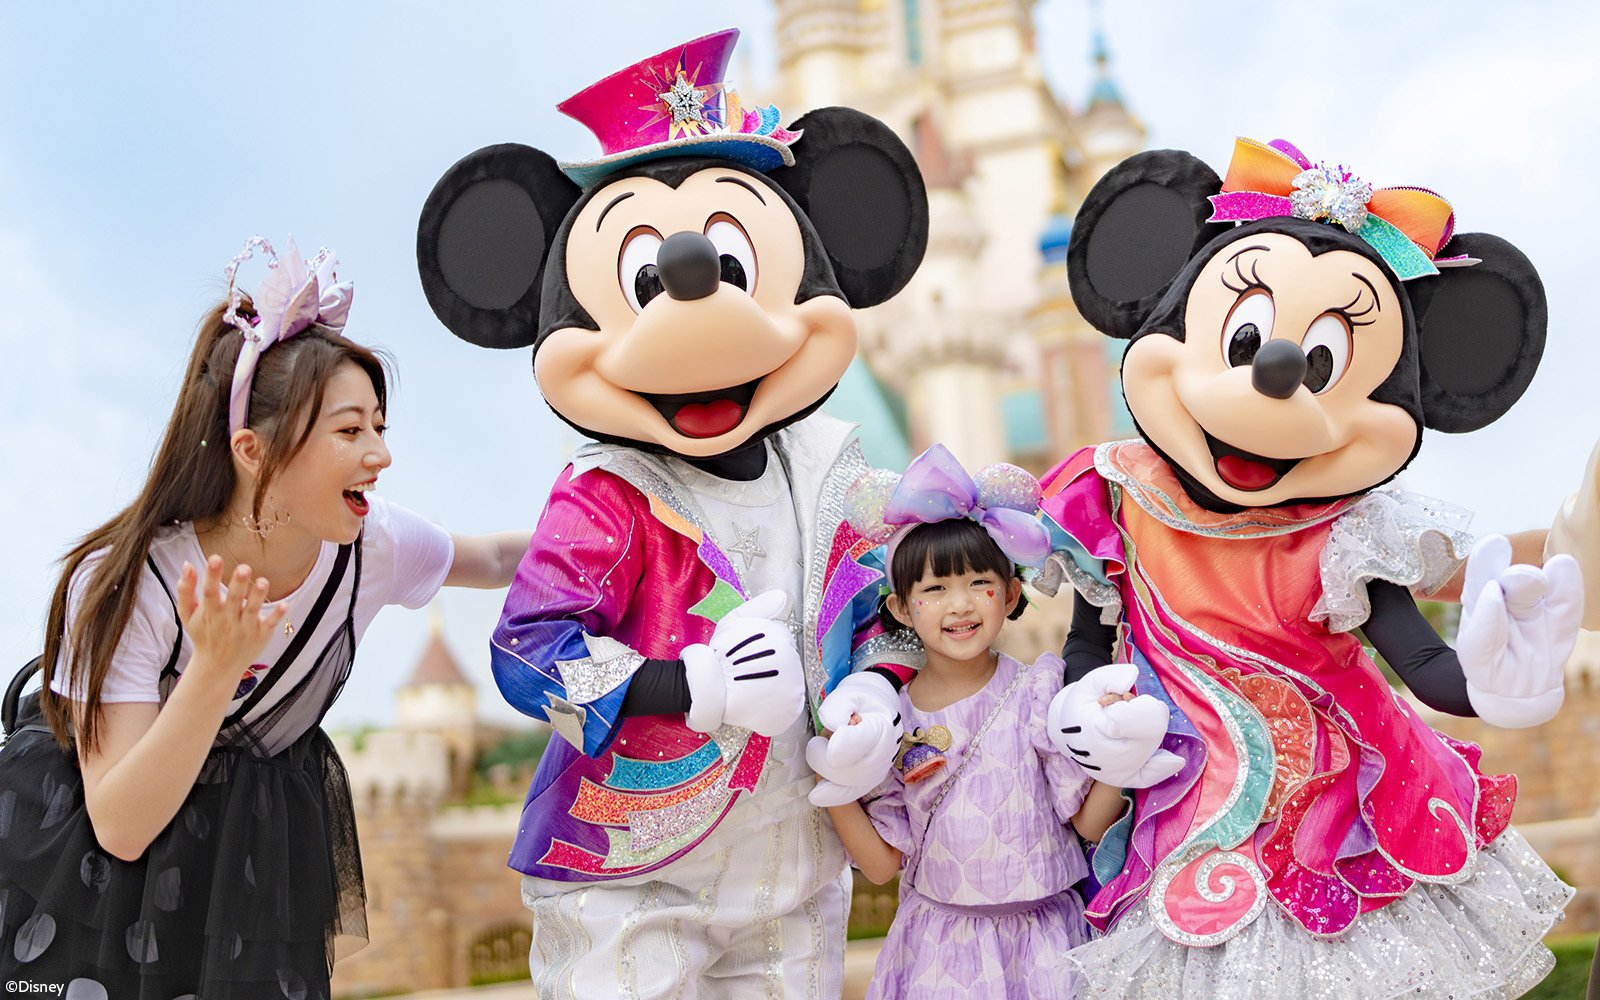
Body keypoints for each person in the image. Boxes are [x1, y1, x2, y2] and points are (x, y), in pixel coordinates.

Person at [0, 237, 529, 998]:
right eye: (350, 431)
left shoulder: (370, 546)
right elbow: (119, 822)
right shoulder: (130, 581)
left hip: (250, 866)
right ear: (254, 449)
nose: (380, 455)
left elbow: (502, 561)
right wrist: (214, 668)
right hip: (96, 884)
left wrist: (639, 521)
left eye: (381, 426)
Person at [822, 445, 1179, 1000]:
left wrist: (1120, 757)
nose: (959, 605)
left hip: (1048, 946)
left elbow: (1086, 825)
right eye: (934, 589)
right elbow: (879, 864)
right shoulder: (889, 719)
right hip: (938, 952)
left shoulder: (1040, 692)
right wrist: (835, 780)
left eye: (977, 584)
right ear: (900, 607)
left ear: (1011, 593)